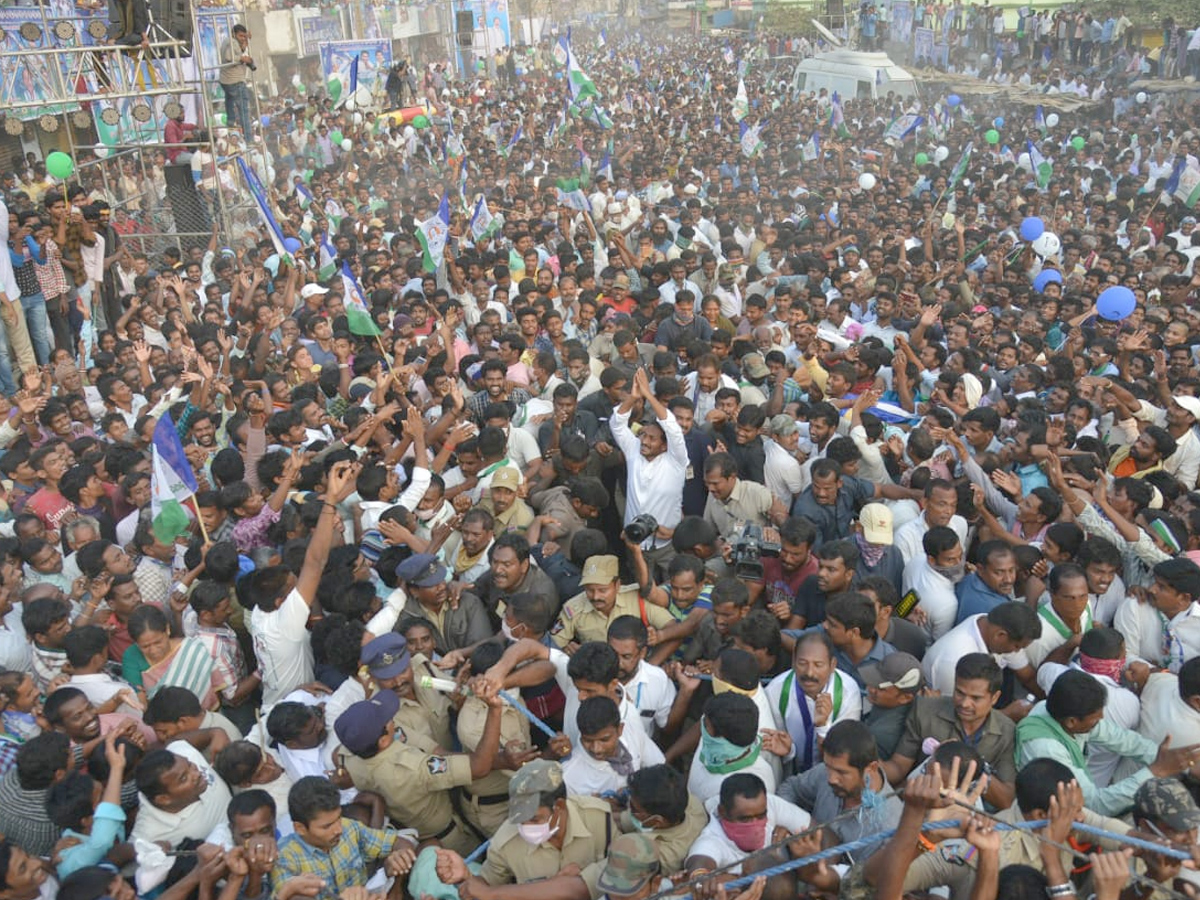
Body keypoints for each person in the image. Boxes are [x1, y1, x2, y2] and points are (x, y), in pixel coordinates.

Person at [218, 24, 255, 139]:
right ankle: (249, 139)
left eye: (244, 36)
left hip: (226, 80)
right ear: (234, 34)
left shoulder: (228, 41)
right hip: (235, 81)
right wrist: (244, 59)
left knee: (230, 107)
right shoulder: (232, 42)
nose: (243, 38)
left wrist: (246, 41)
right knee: (244, 110)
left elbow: (240, 50)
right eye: (241, 36)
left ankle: (231, 125)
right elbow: (230, 57)